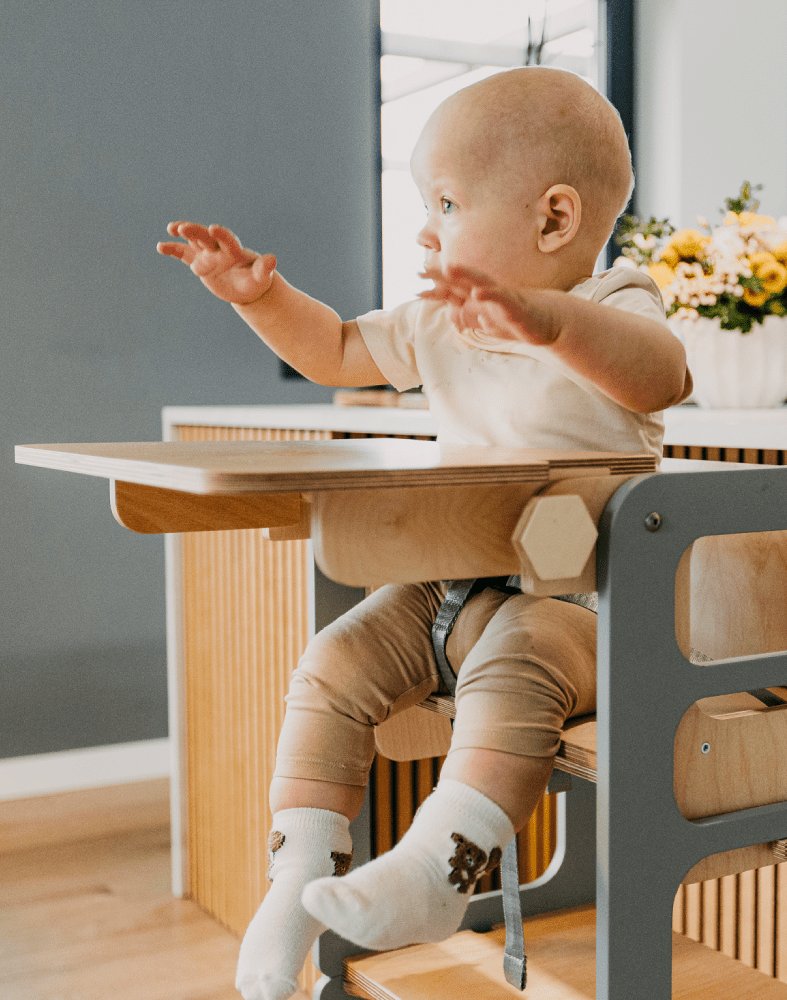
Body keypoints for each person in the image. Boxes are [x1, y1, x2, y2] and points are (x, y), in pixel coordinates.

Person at [157, 66, 691, 1000]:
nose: (425, 226)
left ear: (555, 219)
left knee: (517, 665)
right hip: (449, 583)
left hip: (585, 602)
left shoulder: (614, 303)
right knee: (332, 660)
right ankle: (298, 879)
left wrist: (544, 322)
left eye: (445, 201)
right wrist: (255, 298)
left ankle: (443, 870)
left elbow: (660, 377)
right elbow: (334, 350)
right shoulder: (436, 322)